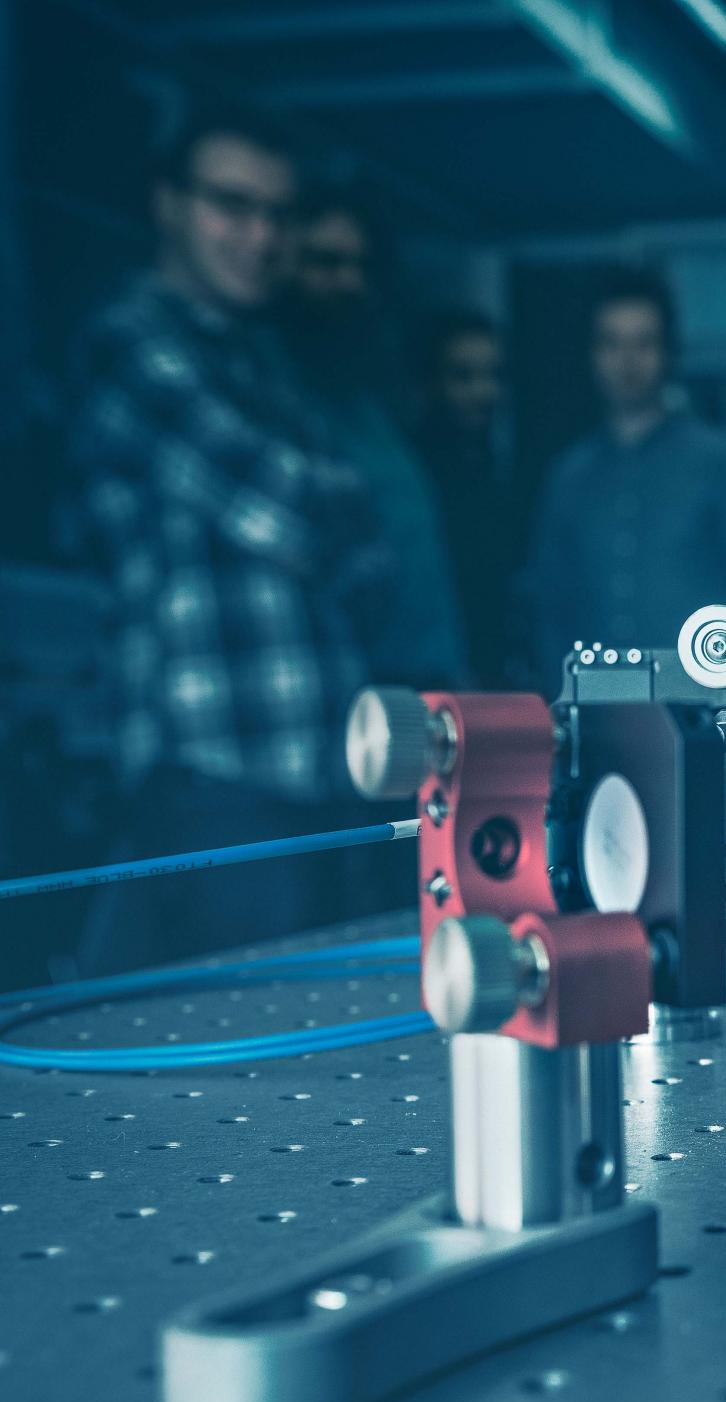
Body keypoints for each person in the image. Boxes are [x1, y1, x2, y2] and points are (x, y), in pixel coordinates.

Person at [63, 109, 401, 972]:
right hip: (213, 778)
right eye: (232, 205)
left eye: (278, 215)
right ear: (168, 204)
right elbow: (297, 510)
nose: (261, 236)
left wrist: (336, 504)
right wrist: (334, 499)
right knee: (246, 1037)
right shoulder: (132, 343)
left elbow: (374, 551)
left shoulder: (261, 361)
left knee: (321, 1021)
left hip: (318, 770)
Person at [526, 268, 726, 677]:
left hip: (704, 694)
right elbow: (549, 605)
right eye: (612, 343)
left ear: (668, 352)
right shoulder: (569, 475)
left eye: (643, 343)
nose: (627, 361)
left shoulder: (721, 460)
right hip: (595, 697)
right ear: (592, 354)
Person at [285, 184, 467, 689]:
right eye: (326, 262)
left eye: (360, 266)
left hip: (420, 681)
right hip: (344, 687)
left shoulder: (366, 404)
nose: (349, 282)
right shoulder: (270, 398)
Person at [415, 309, 523, 686]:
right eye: (463, 376)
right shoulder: (416, 478)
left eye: (494, 376)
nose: (483, 392)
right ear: (431, 383)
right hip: (433, 678)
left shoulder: (497, 471)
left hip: (491, 675)